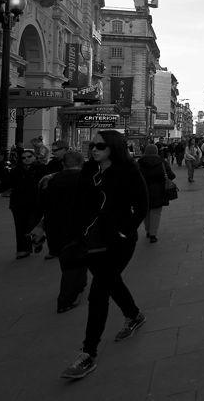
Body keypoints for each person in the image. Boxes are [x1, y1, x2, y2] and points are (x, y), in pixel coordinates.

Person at [60, 130, 148, 379]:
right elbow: (78, 203)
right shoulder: (88, 170)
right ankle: (134, 315)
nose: (94, 150)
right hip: (92, 240)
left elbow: (141, 206)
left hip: (118, 242)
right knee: (111, 282)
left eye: (100, 146)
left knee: (99, 292)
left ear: (114, 147)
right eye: (92, 145)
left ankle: (88, 354)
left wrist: (124, 231)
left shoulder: (130, 171)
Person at [32, 150, 88, 313]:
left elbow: (39, 206)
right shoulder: (86, 180)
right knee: (76, 260)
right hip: (79, 226)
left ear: (63, 164)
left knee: (69, 258)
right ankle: (67, 300)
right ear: (82, 162)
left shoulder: (48, 180)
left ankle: (80, 283)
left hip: (55, 226)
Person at [0, 145, 46, 258]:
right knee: (20, 227)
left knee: (31, 224)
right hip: (18, 203)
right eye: (24, 157)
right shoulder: (17, 170)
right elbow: (6, 183)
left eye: (29, 156)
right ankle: (23, 250)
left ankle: (38, 239)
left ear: (34, 157)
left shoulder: (42, 169)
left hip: (36, 203)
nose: (27, 159)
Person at [138, 144, 176, 243]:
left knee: (146, 212)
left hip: (144, 191)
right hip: (158, 191)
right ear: (156, 151)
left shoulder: (140, 162)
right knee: (156, 213)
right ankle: (153, 235)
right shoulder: (162, 162)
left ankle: (148, 230)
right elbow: (171, 175)